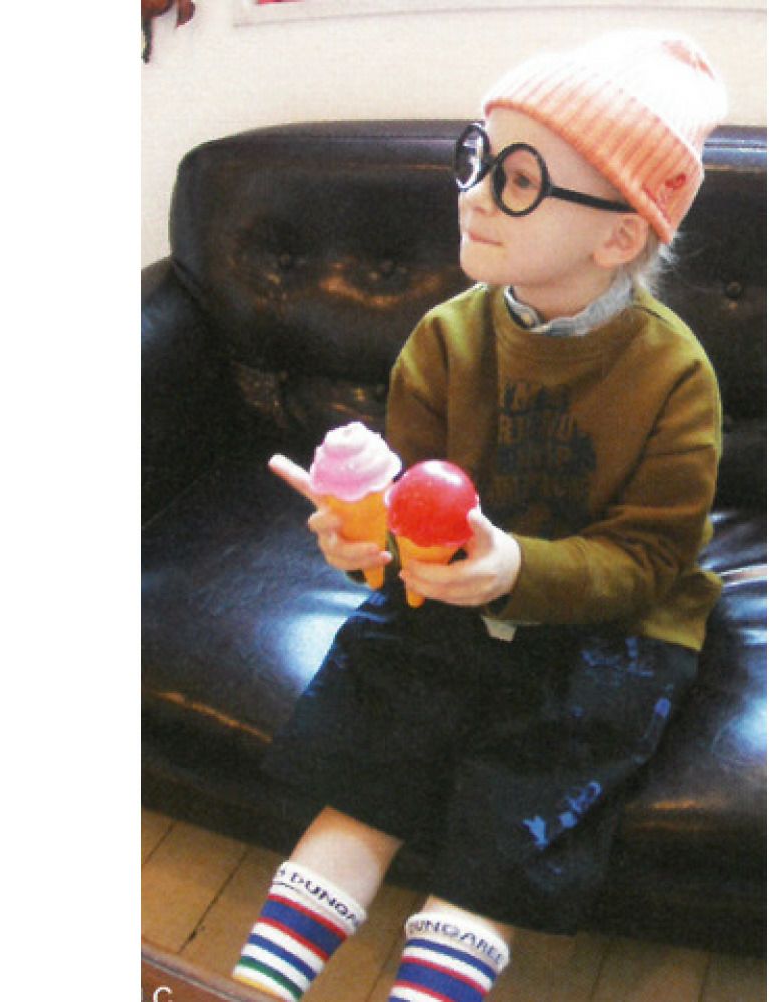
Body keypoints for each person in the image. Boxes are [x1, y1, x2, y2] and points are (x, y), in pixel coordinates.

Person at [233, 29, 728, 1002]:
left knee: (518, 812)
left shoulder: (676, 374)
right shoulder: (443, 339)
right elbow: (408, 517)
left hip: (616, 623)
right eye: (478, 158)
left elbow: (651, 558)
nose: (473, 194)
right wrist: (365, 544)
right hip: (456, 599)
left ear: (618, 236)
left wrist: (518, 571)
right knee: (372, 756)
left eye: (519, 179)